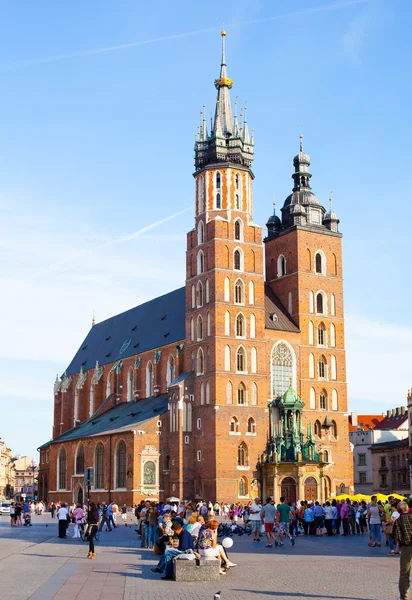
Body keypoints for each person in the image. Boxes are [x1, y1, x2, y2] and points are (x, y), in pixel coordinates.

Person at [393, 501, 412, 600]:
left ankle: (404, 597)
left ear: (398, 511)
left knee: (404, 573)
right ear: (407, 509)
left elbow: (396, 537)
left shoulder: (398, 521)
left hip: (406, 548)